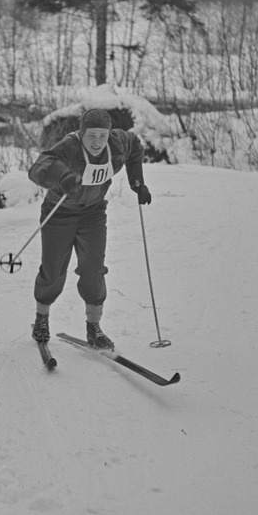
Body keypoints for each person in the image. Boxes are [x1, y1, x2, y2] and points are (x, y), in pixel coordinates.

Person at [27, 108, 151, 349]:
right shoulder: (69, 147)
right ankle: (42, 318)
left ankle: (93, 327)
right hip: (59, 214)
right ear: (82, 134)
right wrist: (61, 176)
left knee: (94, 270)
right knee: (53, 271)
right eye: (91, 136)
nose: (97, 142)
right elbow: (38, 168)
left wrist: (137, 182)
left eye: (101, 136)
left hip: (93, 212)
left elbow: (135, 145)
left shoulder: (117, 143)